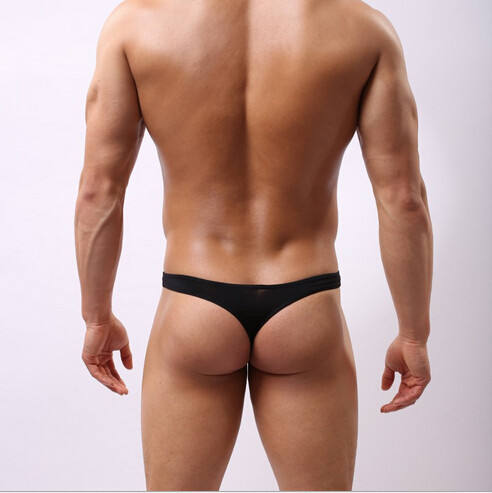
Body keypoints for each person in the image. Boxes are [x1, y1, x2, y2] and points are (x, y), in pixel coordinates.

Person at [74, 0, 433, 490]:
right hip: (305, 303)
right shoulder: (363, 29)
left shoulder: (136, 24)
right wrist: (413, 334)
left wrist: (97, 318)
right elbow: (403, 198)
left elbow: (98, 193)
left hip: (194, 301)